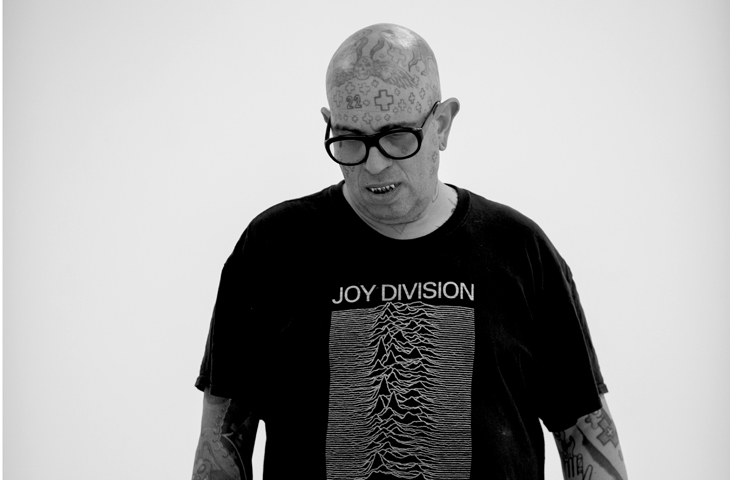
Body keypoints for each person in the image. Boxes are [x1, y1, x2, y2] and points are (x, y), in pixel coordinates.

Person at [191, 23, 629, 480]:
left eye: (397, 136)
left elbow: (584, 432)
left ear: (442, 125)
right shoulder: (272, 247)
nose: (374, 162)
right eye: (350, 139)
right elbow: (221, 440)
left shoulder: (520, 249)